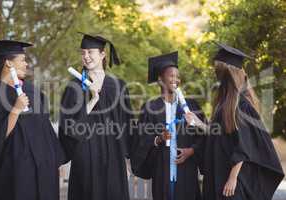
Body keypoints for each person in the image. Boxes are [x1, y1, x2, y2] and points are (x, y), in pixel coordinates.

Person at [185, 43, 285, 200]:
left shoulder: (241, 105)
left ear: (227, 73)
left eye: (217, 68)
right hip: (218, 173)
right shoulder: (225, 103)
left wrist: (232, 178)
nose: (214, 71)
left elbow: (244, 146)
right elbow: (221, 136)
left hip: (231, 180)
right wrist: (199, 123)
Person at [0, 40, 65, 200]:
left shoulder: (31, 91)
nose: (26, 64)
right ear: (8, 62)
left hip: (44, 173)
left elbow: (46, 129)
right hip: (14, 176)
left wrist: (55, 161)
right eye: (22, 60)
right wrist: (16, 109)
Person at [59, 33, 133, 200]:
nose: (86, 56)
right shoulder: (74, 87)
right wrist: (93, 99)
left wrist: (128, 160)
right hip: (86, 154)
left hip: (113, 155)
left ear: (102, 54)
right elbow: (69, 126)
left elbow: (126, 124)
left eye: (90, 52)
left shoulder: (118, 86)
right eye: (82, 52)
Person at [131, 51, 206, 200]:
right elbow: (140, 139)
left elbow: (205, 136)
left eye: (178, 76)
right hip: (162, 171)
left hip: (187, 171)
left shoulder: (191, 106)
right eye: (171, 75)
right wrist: (159, 139)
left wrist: (191, 151)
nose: (176, 79)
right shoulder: (150, 107)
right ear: (160, 80)